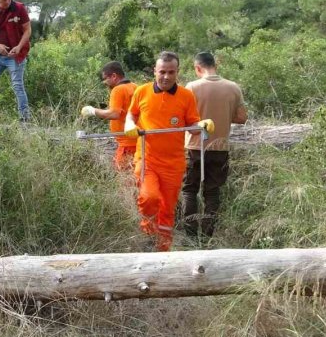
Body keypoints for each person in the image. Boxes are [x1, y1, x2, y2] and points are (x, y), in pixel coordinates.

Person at [125, 52, 213, 252]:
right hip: (147, 159)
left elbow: (191, 125)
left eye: (170, 72)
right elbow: (131, 113)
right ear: (155, 71)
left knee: (167, 208)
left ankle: (163, 250)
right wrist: (129, 124)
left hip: (173, 164)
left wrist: (202, 125)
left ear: (177, 72)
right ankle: (148, 236)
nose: (166, 76)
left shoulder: (186, 95)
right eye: (162, 72)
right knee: (149, 198)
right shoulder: (141, 91)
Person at [181, 52, 247, 242]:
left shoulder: (192, 87)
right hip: (220, 147)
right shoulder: (233, 87)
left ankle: (191, 235)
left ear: (197, 68)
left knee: (189, 190)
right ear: (215, 65)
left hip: (194, 146)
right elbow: (242, 118)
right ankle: (208, 236)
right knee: (213, 191)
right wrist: (225, 115)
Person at [80, 61, 138, 170]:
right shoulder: (135, 86)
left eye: (105, 78)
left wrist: (92, 111)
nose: (104, 82)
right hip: (137, 140)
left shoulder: (118, 90)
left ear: (114, 76)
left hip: (126, 143)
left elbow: (114, 114)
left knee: (124, 178)